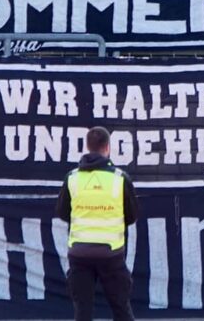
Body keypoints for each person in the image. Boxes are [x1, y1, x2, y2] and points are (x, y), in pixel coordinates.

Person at [56, 126, 138, 321]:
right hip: (111, 254)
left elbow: (62, 213)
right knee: (121, 309)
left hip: (79, 253)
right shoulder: (120, 178)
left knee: (82, 312)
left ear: (87, 146)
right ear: (107, 147)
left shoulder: (72, 178)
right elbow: (132, 216)